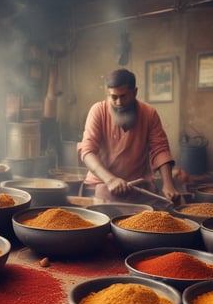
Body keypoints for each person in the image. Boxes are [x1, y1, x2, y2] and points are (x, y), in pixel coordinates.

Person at [77, 68, 180, 204]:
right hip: (100, 184)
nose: (119, 103)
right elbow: (88, 152)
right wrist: (110, 179)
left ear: (134, 92)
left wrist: (168, 184)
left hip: (137, 188)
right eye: (114, 97)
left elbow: (160, 149)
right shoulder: (98, 111)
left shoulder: (149, 113)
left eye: (123, 96)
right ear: (108, 94)